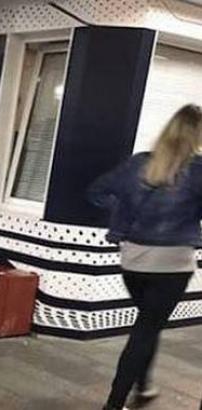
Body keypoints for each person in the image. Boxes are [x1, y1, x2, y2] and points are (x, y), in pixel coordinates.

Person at [88, 104, 202, 410]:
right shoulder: (198, 171)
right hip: (173, 265)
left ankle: (144, 389)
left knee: (147, 326)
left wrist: (122, 213)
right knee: (145, 331)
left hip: (133, 262)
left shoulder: (138, 163)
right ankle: (114, 404)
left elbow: (96, 192)